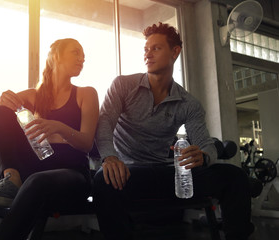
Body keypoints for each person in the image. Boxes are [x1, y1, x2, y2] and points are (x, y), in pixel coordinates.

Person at [93, 22, 253, 240]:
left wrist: (204, 156)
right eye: (146, 49)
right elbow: (104, 124)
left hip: (166, 173)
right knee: (104, 179)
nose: (148, 54)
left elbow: (205, 143)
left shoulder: (189, 103)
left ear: (175, 52)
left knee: (234, 176)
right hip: (129, 173)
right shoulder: (123, 85)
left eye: (156, 48)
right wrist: (109, 157)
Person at [0, 38, 99, 240]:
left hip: (73, 173)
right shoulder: (33, 95)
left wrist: (59, 127)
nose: (82, 58)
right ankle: (11, 177)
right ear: (56, 56)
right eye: (76, 52)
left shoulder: (86, 94)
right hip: (35, 169)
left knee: (36, 182)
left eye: (83, 55)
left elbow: (86, 143)